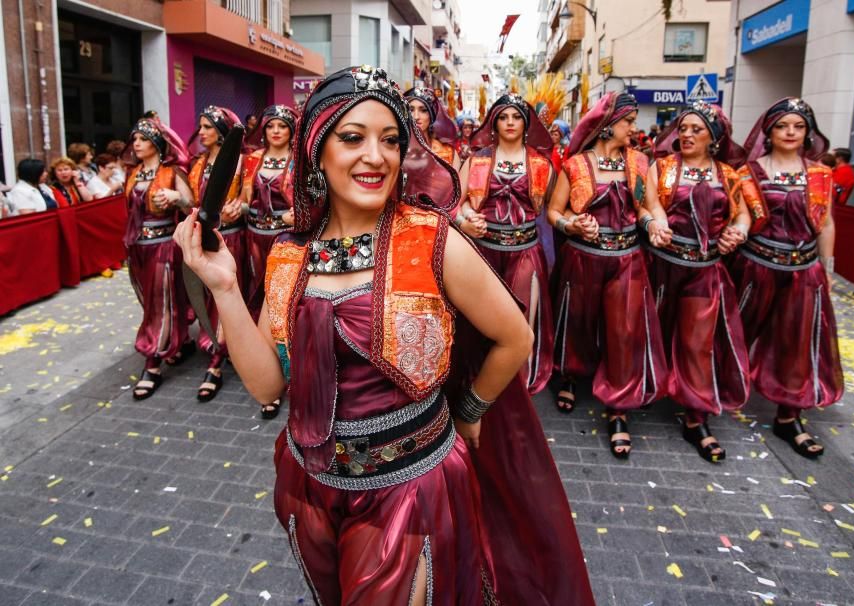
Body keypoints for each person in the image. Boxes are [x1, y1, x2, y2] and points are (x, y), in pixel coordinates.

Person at [174, 65, 594, 606]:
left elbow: (515, 337)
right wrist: (226, 289)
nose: (377, 156)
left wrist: (468, 413)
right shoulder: (288, 253)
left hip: (411, 491)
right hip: (310, 488)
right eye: (353, 138)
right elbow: (266, 388)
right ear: (317, 151)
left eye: (391, 140)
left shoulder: (431, 239)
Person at [547, 92, 667, 460]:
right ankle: (568, 374)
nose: (634, 128)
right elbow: (554, 211)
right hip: (583, 257)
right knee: (578, 321)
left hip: (627, 259)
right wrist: (572, 225)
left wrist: (653, 224)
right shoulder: (576, 165)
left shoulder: (639, 163)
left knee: (623, 330)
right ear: (607, 125)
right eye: (629, 122)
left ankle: (619, 408)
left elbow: (645, 206)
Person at [730, 97, 844, 459]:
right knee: (735, 332)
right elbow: (743, 217)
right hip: (756, 264)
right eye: (783, 126)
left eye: (798, 126)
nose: (791, 132)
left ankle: (789, 416)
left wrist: (827, 269)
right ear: (770, 131)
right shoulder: (748, 172)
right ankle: (714, 395)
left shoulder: (820, 175)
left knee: (797, 343)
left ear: (808, 132)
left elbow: (825, 223)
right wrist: (736, 232)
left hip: (803, 271)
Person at [642, 101, 751, 463]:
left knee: (697, 342)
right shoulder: (664, 167)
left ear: (714, 138)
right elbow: (650, 203)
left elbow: (743, 216)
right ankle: (643, 393)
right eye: (683, 128)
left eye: (696, 130)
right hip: (663, 265)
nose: (686, 135)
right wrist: (656, 222)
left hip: (706, 271)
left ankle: (696, 415)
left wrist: (736, 233)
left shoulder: (729, 175)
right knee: (651, 332)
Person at [456, 93, 555, 395]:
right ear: (494, 122)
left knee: (522, 327)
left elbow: (553, 210)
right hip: (482, 254)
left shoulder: (541, 164)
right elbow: (453, 205)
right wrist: (465, 220)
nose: (510, 122)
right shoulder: (476, 160)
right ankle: (479, 391)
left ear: (526, 124)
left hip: (526, 252)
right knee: (478, 325)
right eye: (503, 117)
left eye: (516, 117)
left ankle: (516, 396)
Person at [125, 117, 196, 400]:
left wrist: (175, 196)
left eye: (141, 139)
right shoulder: (133, 173)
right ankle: (180, 341)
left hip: (164, 245)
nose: (136, 144)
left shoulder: (172, 171)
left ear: (155, 143)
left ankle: (152, 360)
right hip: (138, 246)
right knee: (154, 301)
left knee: (161, 301)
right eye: (135, 140)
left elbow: (190, 202)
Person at [240, 104, 299, 419]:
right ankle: (262, 370)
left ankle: (285, 372)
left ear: (291, 130)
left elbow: (310, 199)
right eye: (270, 126)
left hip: (285, 241)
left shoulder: (299, 160)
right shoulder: (251, 159)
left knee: (281, 305)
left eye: (282, 126)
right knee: (257, 297)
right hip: (254, 238)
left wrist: (299, 214)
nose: (276, 131)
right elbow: (240, 196)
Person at [188, 105, 247, 402]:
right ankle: (213, 350)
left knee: (228, 297)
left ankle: (221, 358)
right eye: (200, 127)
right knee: (205, 297)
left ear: (222, 131)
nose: (201, 133)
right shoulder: (196, 163)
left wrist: (241, 206)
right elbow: (191, 200)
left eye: (208, 127)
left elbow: (249, 197)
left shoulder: (242, 163)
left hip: (231, 240)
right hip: (199, 239)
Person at [403, 85, 460, 168]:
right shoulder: (397, 150)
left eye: (423, 110)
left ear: (431, 115)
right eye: (411, 110)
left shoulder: (449, 153)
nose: (416, 117)